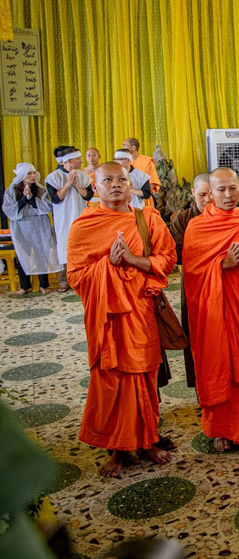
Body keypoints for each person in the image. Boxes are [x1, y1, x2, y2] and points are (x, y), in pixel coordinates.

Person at [67, 162, 177, 477]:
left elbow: (167, 259)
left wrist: (132, 260)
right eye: (108, 180)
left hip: (140, 312)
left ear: (131, 185)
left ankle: (147, 441)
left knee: (144, 375)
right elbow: (76, 275)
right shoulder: (83, 226)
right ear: (95, 187)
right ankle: (117, 449)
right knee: (110, 377)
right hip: (107, 316)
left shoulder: (147, 220)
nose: (116, 185)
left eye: (122, 180)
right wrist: (107, 266)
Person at [183, 168, 239, 452]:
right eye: (221, 190)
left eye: (233, 188)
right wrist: (221, 265)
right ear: (210, 193)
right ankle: (219, 428)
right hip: (211, 308)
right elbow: (193, 273)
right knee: (217, 361)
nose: (229, 195)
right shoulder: (198, 226)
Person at [167, 173, 213, 388]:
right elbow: (174, 253)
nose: (207, 200)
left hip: (228, 284)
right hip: (194, 286)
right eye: (202, 194)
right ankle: (201, 386)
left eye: (211, 194)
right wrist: (208, 256)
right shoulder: (184, 219)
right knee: (197, 336)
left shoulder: (230, 216)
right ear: (193, 193)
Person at [2, 163, 60, 295]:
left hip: (39, 224)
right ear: (22, 175)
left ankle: (44, 284)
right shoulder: (11, 191)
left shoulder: (41, 190)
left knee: (42, 252)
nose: (33, 176)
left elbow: (46, 208)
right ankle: (24, 285)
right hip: (21, 225)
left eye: (34, 173)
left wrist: (32, 198)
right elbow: (9, 210)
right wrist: (23, 198)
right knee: (23, 254)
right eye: (29, 173)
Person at [45, 146, 94, 292]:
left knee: (83, 245)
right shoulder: (53, 177)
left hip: (81, 214)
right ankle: (64, 280)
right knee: (64, 245)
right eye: (78, 159)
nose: (80, 161)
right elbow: (55, 198)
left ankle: (83, 276)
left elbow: (88, 195)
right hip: (63, 217)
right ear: (69, 160)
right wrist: (67, 184)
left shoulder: (84, 176)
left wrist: (77, 184)